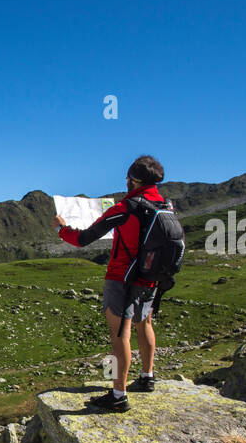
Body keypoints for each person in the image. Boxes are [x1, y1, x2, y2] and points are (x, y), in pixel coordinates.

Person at [53, 155, 166, 413]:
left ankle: (118, 395)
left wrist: (61, 229)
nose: (126, 181)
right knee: (145, 323)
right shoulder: (164, 205)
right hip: (151, 278)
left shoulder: (126, 207)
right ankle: (147, 378)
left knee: (120, 334)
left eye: (128, 177)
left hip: (122, 277)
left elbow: (82, 239)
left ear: (133, 180)